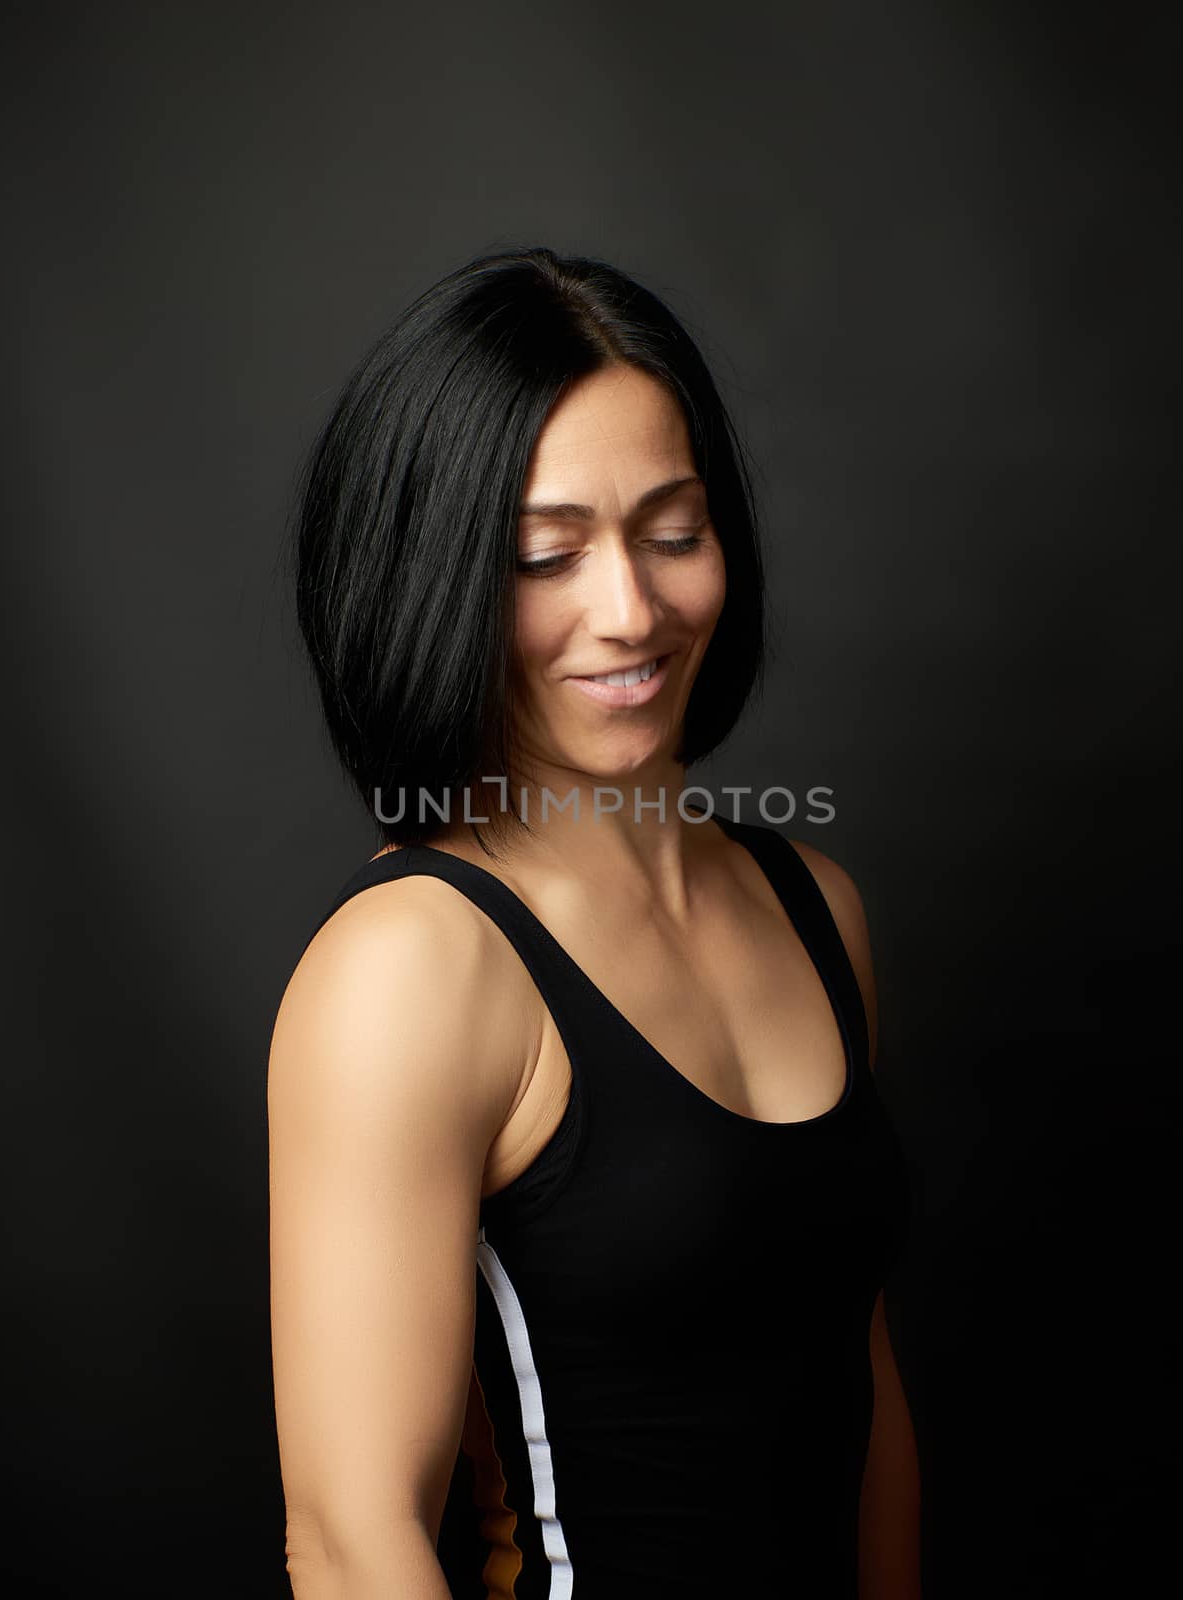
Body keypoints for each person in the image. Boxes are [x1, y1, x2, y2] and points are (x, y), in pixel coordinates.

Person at [268, 245, 921, 1598]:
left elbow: (862, 1393)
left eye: (673, 534)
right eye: (546, 556)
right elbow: (347, 1538)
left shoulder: (819, 911)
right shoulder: (413, 968)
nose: (630, 611)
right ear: (439, 577)